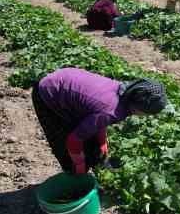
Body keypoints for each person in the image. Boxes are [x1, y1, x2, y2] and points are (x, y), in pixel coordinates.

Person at [32, 68, 168, 175]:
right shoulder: (111, 110)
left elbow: (99, 119)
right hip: (49, 91)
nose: (146, 116)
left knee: (90, 137)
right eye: (146, 113)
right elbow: (73, 140)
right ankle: (74, 174)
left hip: (69, 81)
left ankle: (94, 162)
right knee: (64, 141)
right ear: (138, 107)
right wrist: (79, 165)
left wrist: (102, 142)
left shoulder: (124, 92)